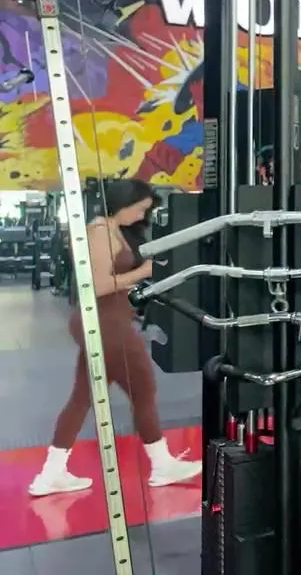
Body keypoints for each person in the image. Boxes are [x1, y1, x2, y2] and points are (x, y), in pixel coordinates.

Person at [29, 178, 202, 497]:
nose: (141, 216)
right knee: (143, 389)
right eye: (139, 209)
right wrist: (144, 272)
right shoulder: (99, 233)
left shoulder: (114, 230)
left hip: (109, 320)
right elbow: (97, 285)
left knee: (83, 396)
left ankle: (51, 474)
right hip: (105, 322)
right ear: (123, 203)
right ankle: (162, 465)